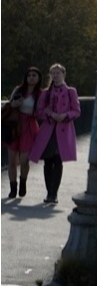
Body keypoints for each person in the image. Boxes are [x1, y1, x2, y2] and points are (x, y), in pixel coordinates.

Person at [28, 64, 80, 205]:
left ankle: (54, 194)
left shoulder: (71, 91)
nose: (55, 75)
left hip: (63, 130)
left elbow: (76, 111)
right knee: (48, 161)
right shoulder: (46, 92)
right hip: (48, 130)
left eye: (58, 73)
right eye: (53, 73)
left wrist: (64, 115)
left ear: (63, 74)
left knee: (58, 161)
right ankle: (49, 193)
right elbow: (39, 111)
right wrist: (50, 114)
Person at [3, 67, 43, 198]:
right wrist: (13, 104)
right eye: (29, 75)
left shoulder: (40, 94)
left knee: (25, 160)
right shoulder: (18, 89)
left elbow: (42, 111)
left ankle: (23, 181)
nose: (31, 77)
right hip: (15, 125)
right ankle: (13, 188)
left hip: (30, 126)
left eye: (34, 75)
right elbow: (8, 105)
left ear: (38, 78)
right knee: (12, 160)